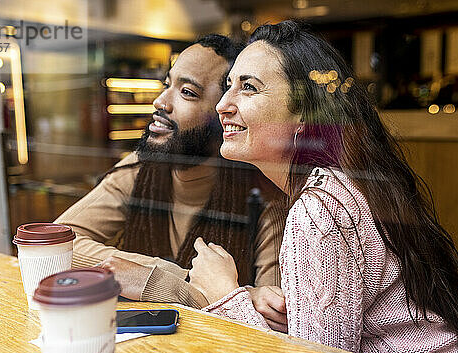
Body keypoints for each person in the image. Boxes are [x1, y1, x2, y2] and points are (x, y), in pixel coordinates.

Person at [188, 22, 458, 353]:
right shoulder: (340, 183)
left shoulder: (318, 210)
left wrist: (224, 295)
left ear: (304, 114)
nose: (223, 104)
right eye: (229, 86)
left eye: (248, 88)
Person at [55, 34, 289, 332]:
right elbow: (58, 244)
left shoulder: (264, 198)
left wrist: (154, 283)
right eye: (167, 84)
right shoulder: (138, 170)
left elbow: (273, 322)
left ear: (225, 114)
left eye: (187, 92)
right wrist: (180, 279)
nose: (161, 101)